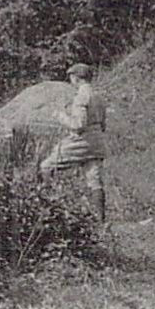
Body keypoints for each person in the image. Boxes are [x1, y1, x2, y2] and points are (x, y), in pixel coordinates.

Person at [38, 62, 107, 222]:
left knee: (46, 167)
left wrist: (60, 116)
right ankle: (100, 221)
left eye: (71, 77)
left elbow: (78, 125)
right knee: (94, 180)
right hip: (97, 142)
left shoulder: (81, 97)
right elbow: (103, 124)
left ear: (76, 78)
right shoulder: (98, 96)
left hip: (82, 141)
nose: (70, 81)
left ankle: (49, 209)